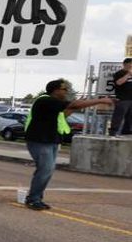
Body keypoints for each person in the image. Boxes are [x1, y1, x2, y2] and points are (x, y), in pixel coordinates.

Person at [24, 79, 115, 210]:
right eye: (64, 89)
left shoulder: (53, 104)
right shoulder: (45, 100)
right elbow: (75, 105)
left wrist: (77, 105)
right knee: (45, 169)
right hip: (39, 141)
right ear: (55, 90)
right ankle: (33, 199)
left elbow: (66, 112)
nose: (66, 91)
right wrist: (99, 100)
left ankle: (36, 197)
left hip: (50, 140)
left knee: (46, 170)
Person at [108, 58, 132, 136]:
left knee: (130, 118)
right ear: (125, 64)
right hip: (123, 98)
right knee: (118, 116)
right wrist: (128, 74)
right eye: (130, 64)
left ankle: (127, 132)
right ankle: (113, 132)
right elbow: (118, 83)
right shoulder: (119, 73)